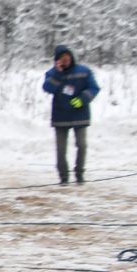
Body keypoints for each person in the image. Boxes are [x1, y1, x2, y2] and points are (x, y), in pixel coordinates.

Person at [41, 44, 99, 185]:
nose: (65, 59)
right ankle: (63, 177)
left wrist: (83, 99)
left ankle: (79, 173)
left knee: (82, 145)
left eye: (67, 56)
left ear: (71, 56)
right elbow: (47, 88)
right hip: (60, 116)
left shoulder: (84, 71)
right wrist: (57, 73)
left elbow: (94, 88)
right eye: (61, 58)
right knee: (61, 149)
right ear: (57, 60)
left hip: (80, 115)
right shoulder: (52, 73)